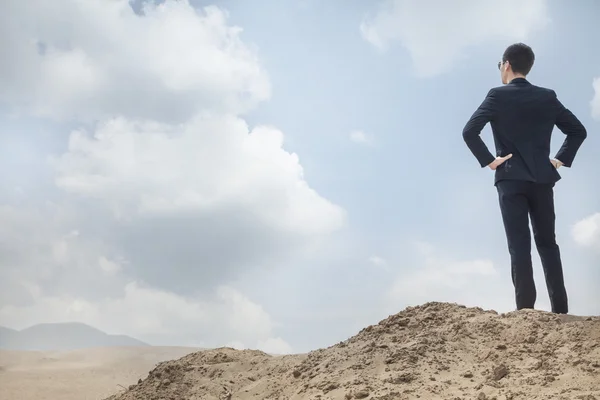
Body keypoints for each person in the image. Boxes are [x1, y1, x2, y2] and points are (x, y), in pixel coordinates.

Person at [462, 43, 587, 314]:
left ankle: (525, 310)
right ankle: (560, 309)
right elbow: (578, 131)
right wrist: (559, 159)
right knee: (548, 243)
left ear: (506, 64)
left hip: (510, 179)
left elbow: (469, 131)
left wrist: (490, 161)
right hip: (543, 178)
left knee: (519, 244)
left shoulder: (496, 95)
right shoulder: (547, 96)